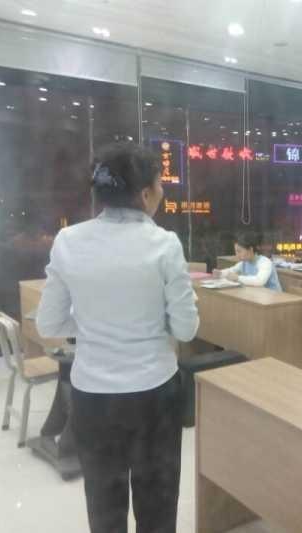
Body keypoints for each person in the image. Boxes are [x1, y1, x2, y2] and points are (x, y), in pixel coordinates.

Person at [36, 143, 199, 533]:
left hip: (92, 396)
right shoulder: (164, 245)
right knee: (157, 506)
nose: (162, 192)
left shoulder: (68, 241)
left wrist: (92, 325)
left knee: (104, 506)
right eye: (159, 185)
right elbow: (186, 329)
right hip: (154, 395)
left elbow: (49, 324)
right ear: (144, 194)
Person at [214, 232, 283, 291]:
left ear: (250, 249)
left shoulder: (265, 262)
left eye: (239, 251)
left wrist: (238, 278)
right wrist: (220, 273)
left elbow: (259, 281)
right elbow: (231, 270)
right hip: (258, 295)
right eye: (236, 251)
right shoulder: (244, 263)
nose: (237, 255)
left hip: (274, 298)